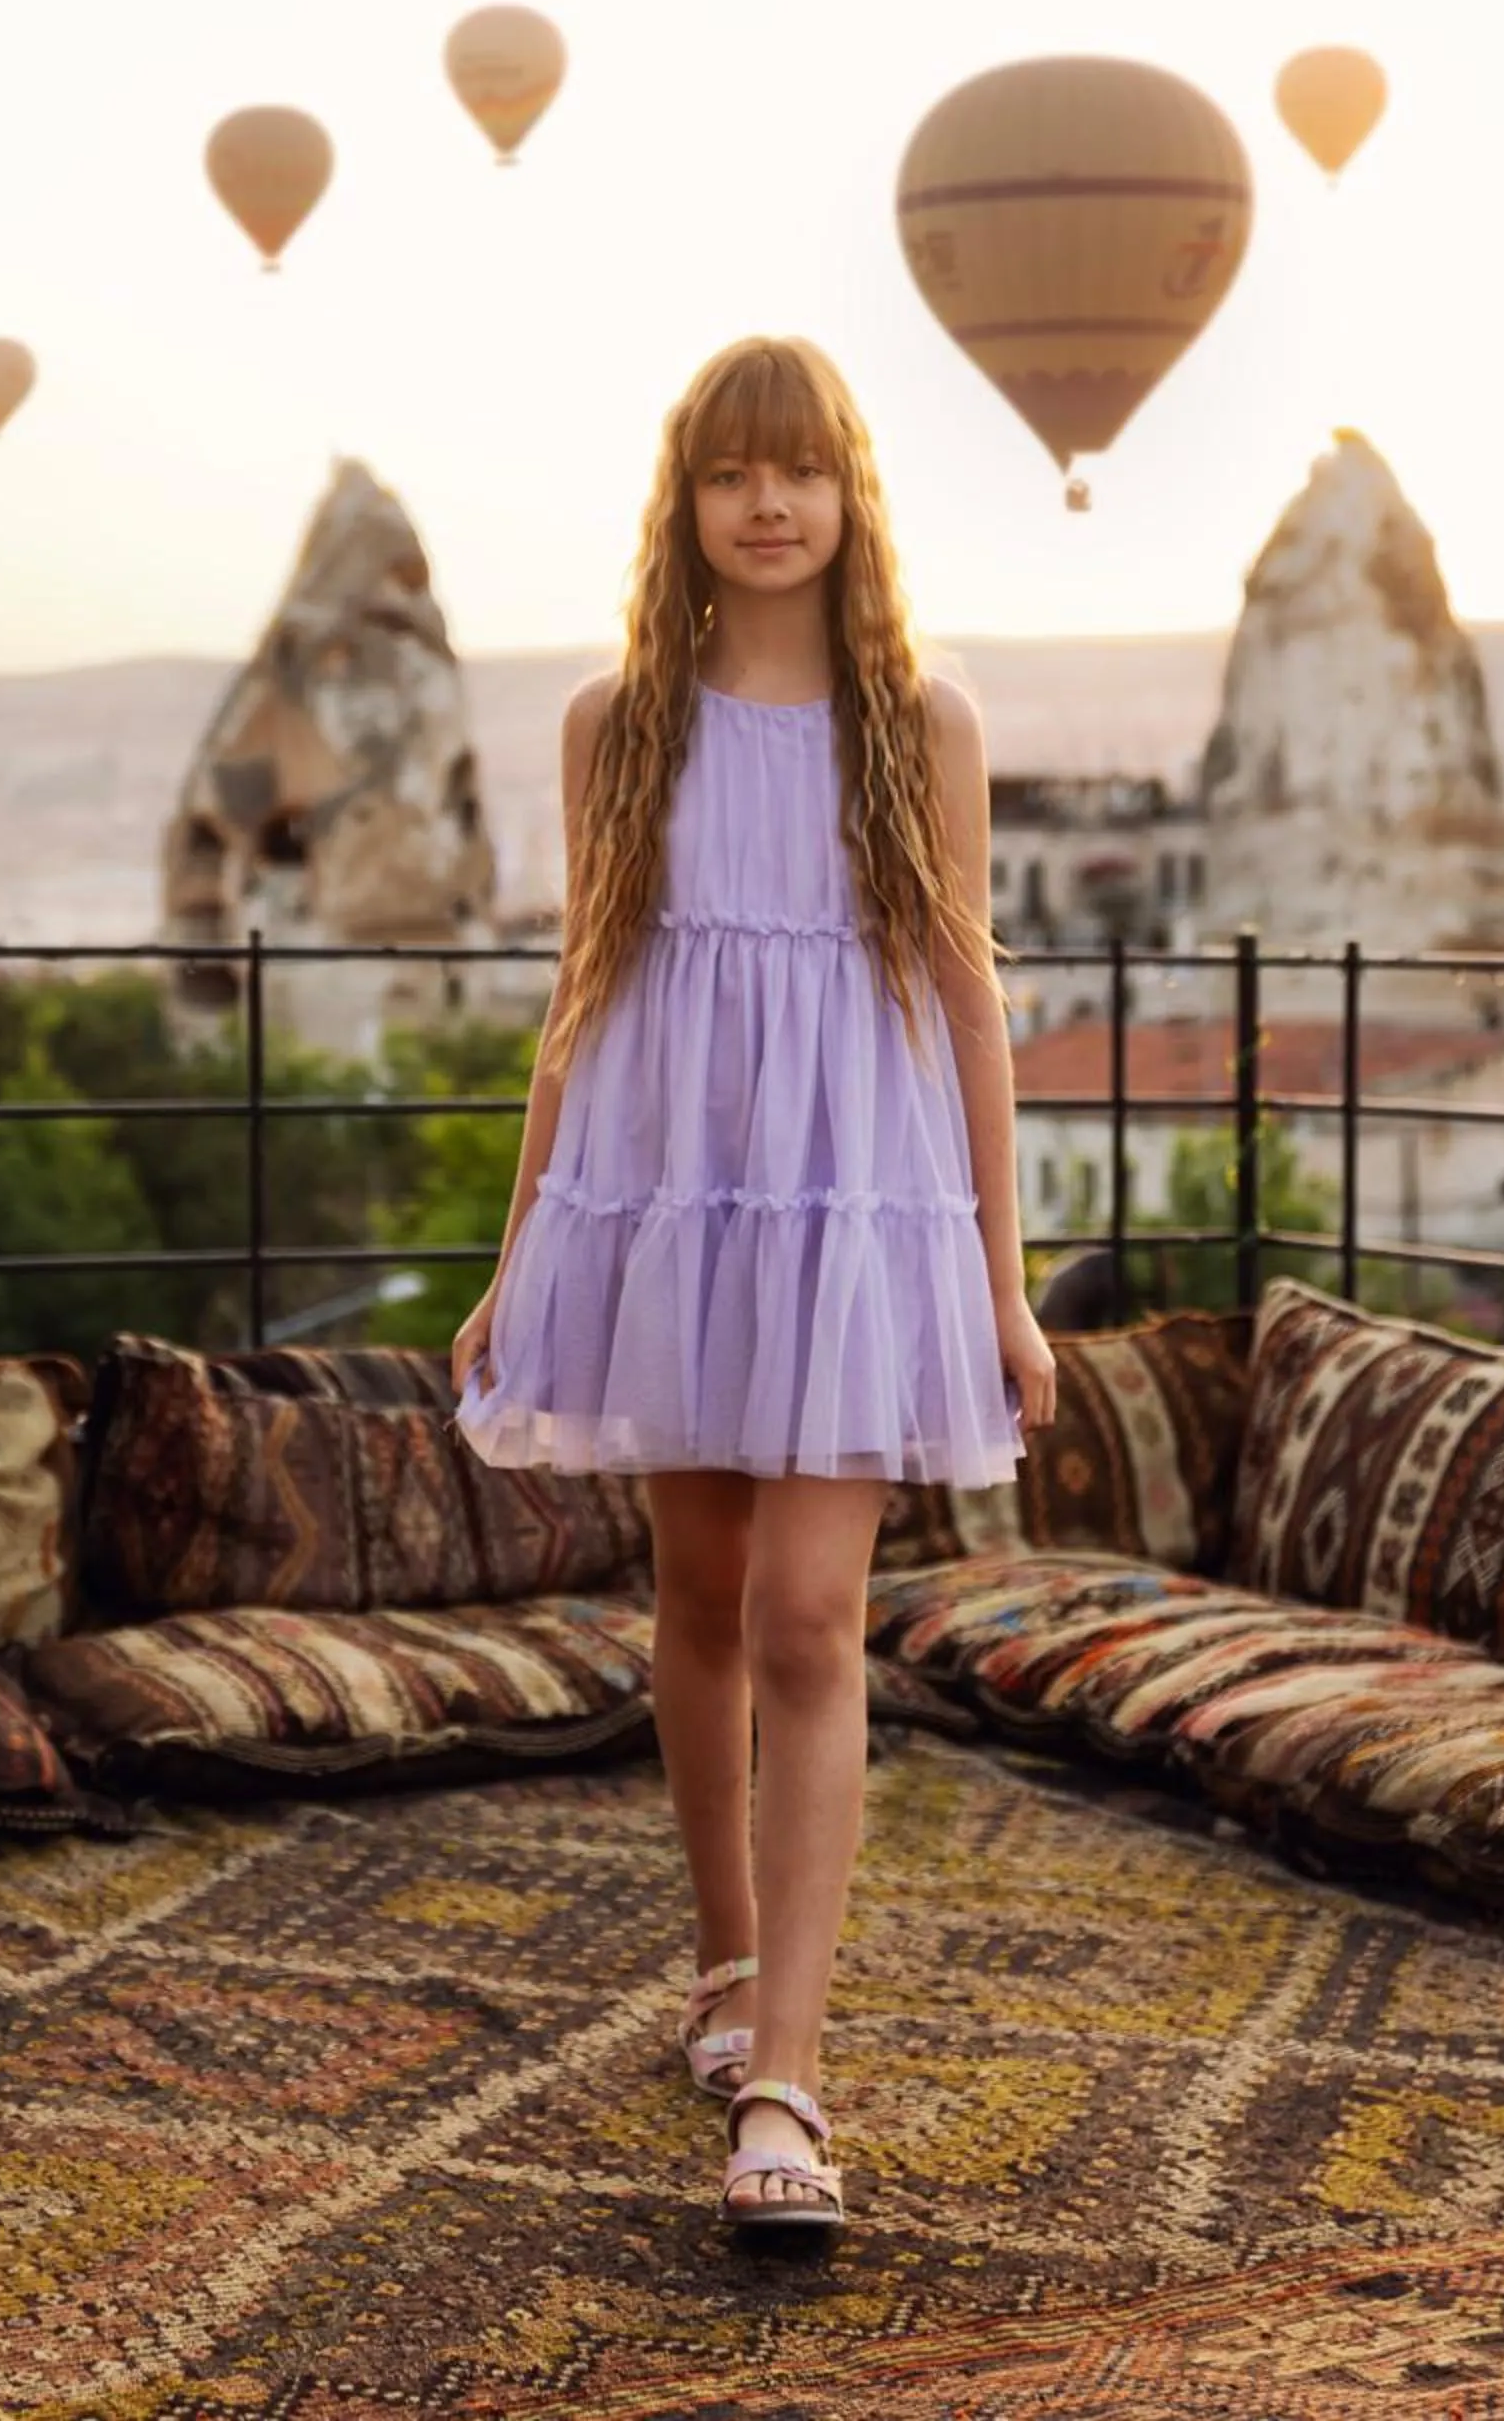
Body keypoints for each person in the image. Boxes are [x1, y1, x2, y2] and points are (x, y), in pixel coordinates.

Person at [449, 332, 1057, 2245]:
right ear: (685, 502)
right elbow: (585, 991)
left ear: (851, 492)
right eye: (733, 473)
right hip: (675, 1196)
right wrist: (516, 1244)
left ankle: (787, 2081)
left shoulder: (921, 723)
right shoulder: (615, 723)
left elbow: (967, 1000)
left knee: (811, 1614)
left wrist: (1007, 1284)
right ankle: (721, 1963)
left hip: (856, 1208)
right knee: (696, 1593)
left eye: (802, 470)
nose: (769, 503)